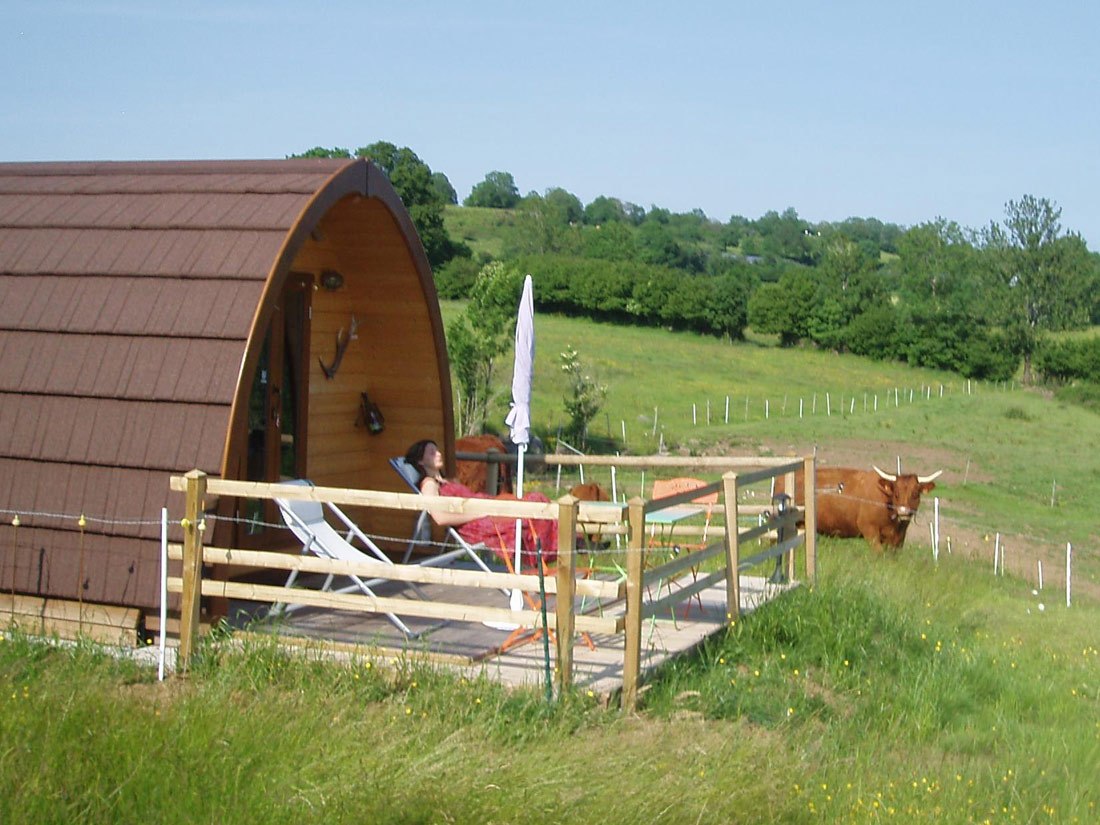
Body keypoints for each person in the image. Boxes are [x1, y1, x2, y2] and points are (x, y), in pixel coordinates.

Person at [403, 439, 556, 568]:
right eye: (432, 453)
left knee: (536, 500)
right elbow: (440, 518)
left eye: (437, 451)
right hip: (476, 522)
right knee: (523, 518)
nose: (439, 454)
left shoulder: (445, 480)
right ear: (421, 461)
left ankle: (553, 551)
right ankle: (546, 557)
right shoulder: (429, 484)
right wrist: (476, 514)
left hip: (485, 509)